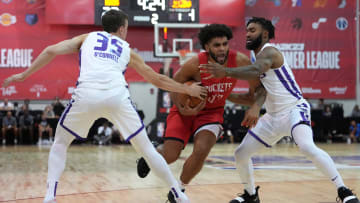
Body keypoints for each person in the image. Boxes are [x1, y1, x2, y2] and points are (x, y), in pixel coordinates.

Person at [2, 9, 207, 203]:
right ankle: (179, 196)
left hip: (86, 96)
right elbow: (157, 79)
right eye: (126, 28)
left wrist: (23, 75)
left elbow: (50, 50)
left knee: (61, 143)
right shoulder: (126, 49)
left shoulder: (86, 38)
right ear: (121, 29)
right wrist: (187, 90)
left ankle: (49, 196)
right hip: (117, 97)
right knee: (147, 150)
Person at [200, 17, 359, 203]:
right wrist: (224, 96)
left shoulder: (270, 53)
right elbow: (259, 92)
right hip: (273, 117)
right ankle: (251, 195)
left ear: (265, 34)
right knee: (241, 154)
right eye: (247, 30)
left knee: (307, 147)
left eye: (252, 30)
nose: (248, 33)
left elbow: (255, 70)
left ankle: (343, 190)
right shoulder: (255, 57)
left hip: (294, 109)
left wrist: (225, 71)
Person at [136, 23, 261, 202]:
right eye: (216, 45)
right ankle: (152, 155)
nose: (222, 49)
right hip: (183, 110)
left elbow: (254, 92)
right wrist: (182, 108)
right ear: (207, 47)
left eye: (225, 44)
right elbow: (173, 85)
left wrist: (254, 104)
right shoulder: (195, 64)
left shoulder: (240, 61)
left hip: (212, 113)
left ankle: (178, 191)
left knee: (202, 149)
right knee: (170, 156)